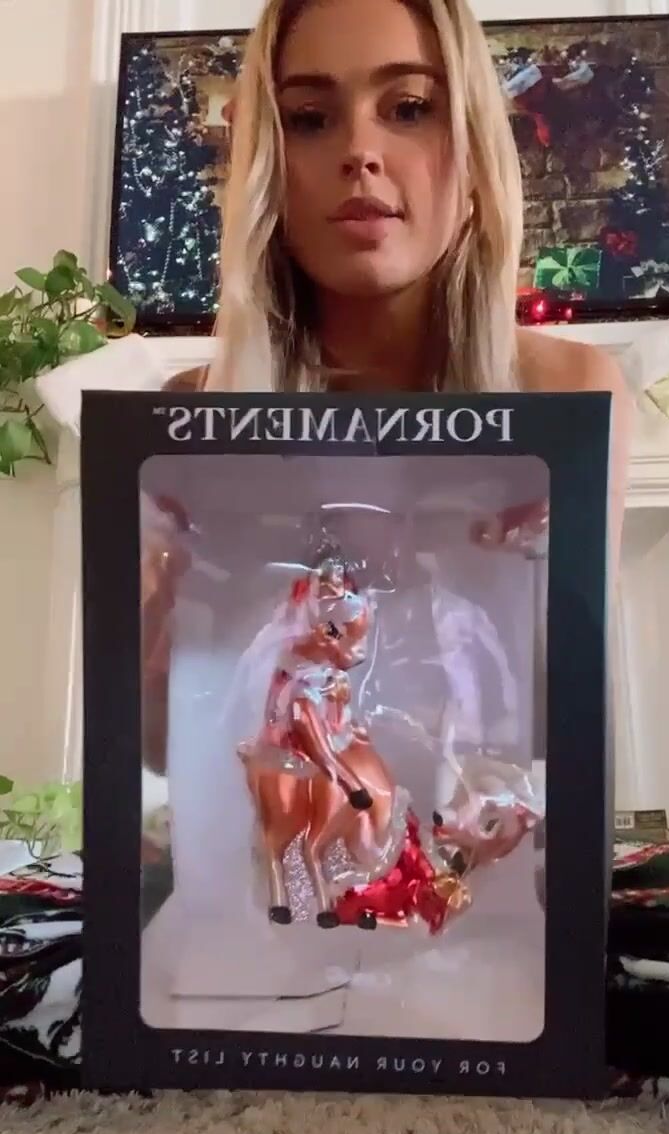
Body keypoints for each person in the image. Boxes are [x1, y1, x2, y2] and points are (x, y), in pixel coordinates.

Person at [143, 0, 633, 768]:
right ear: (269, 165)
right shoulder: (188, 417)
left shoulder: (570, 394)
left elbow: (562, 731)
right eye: (309, 119)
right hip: (283, 832)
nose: (360, 152)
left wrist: (530, 586)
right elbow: (157, 752)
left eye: (408, 108)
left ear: (473, 147)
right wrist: (167, 630)